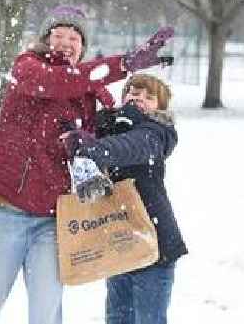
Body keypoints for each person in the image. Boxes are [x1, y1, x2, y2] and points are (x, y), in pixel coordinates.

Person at [0, 4, 174, 324]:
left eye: (74, 37)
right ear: (45, 39)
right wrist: (124, 63)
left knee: (47, 312)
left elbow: (118, 136)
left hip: (53, 219)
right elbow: (55, 82)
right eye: (58, 34)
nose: (65, 42)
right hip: (6, 211)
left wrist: (149, 126)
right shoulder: (27, 68)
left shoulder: (91, 92)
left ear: (83, 47)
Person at [63, 73, 187, 324]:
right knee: (117, 318)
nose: (139, 98)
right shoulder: (107, 126)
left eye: (149, 97)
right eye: (133, 92)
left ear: (160, 108)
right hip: (118, 240)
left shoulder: (158, 132)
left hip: (154, 243)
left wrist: (89, 150)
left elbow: (129, 146)